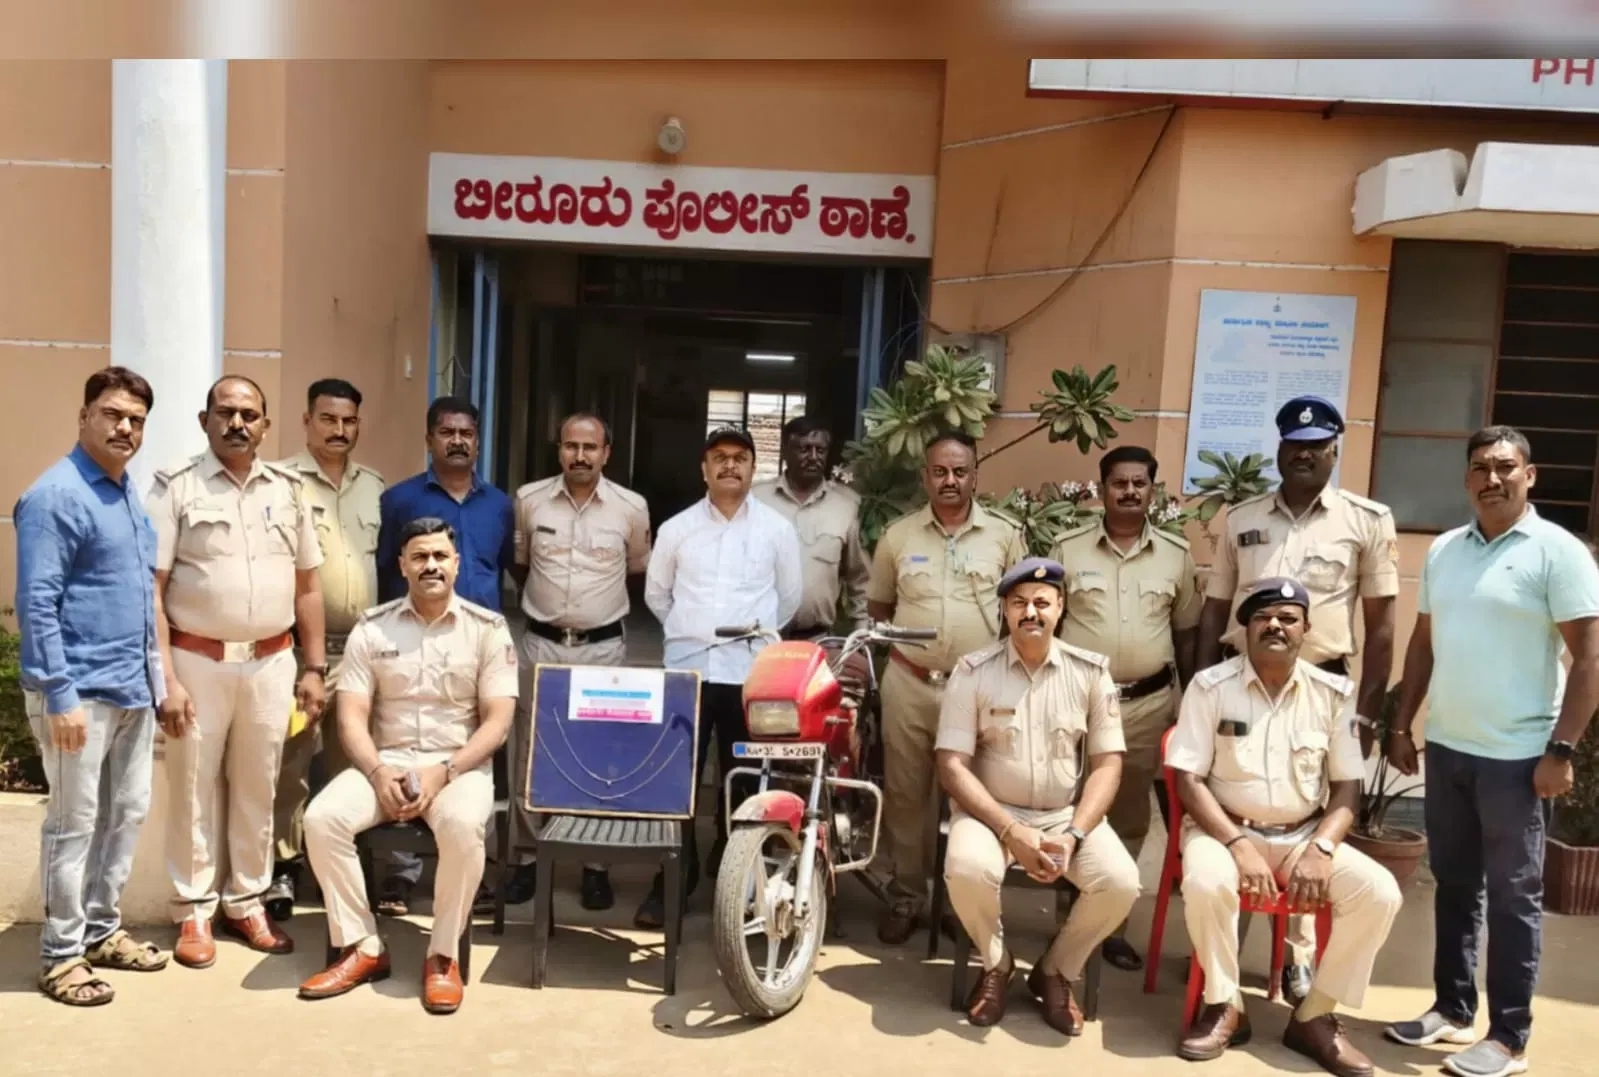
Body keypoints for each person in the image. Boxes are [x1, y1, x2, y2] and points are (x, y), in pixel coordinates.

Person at [1383, 425, 1599, 1077]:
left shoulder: (1558, 553)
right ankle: (1452, 1007)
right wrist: (1402, 723)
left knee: (1513, 897)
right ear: (1466, 478)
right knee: (1454, 884)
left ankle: (1508, 1037)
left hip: (1517, 760)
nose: (1492, 478)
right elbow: (1423, 641)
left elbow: (1590, 659)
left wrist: (1560, 750)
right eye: (1480, 467)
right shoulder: (1446, 549)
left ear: (1529, 476)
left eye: (1505, 466)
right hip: (1450, 748)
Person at [1195, 394, 1399, 1004]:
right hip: (1241, 683)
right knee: (1240, 800)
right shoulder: (1241, 518)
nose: (1304, 455)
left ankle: (1297, 956)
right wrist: (1201, 686)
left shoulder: (1366, 521)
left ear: (1334, 451)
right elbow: (1215, 610)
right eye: (1294, 445)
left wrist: (1368, 713)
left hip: (1323, 690)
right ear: (1280, 450)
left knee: (1306, 813)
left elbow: (1381, 626)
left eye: (1317, 446)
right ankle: (1224, 948)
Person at [1169, 577, 1401, 1077]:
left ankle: (1314, 1015)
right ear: (1246, 630)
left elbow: (1346, 788)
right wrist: (1237, 844)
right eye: (1262, 617)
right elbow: (1188, 780)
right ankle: (1225, 1003)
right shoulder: (1210, 687)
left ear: (1306, 629)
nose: (1275, 625)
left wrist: (1322, 848)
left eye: (1288, 618)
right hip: (1222, 830)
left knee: (1380, 892)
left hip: (1301, 837)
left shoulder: (1333, 693)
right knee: (1206, 881)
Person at [298, 517, 516, 1015]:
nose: (430, 566)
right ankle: (362, 946)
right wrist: (378, 772)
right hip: (387, 764)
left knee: (463, 825)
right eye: (419, 557)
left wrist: (445, 771)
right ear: (402, 566)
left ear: (456, 564)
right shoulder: (373, 627)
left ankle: (442, 955)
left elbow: (497, 722)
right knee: (322, 819)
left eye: (440, 556)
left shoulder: (487, 630)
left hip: (457, 768)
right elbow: (351, 718)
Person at [146, 375, 328, 969]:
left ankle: (246, 900)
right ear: (205, 421)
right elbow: (152, 588)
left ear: (266, 426)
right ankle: (194, 909)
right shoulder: (177, 486)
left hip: (272, 662)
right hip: (197, 661)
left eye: (249, 415)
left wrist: (314, 666)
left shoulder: (288, 490)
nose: (237, 424)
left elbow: (308, 586)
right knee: (193, 786)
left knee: (259, 786)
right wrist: (166, 678)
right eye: (225, 413)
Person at [16, 367, 170, 1005]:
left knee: (124, 816)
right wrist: (59, 694)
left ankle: (101, 931)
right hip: (77, 694)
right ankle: (60, 956)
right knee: (73, 825)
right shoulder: (56, 496)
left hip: (131, 689)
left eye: (136, 420)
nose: (125, 428)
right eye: (112, 414)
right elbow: (37, 603)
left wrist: (158, 684)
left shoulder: (125, 492)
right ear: (83, 417)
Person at [937, 557, 1142, 1034]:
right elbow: (951, 765)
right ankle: (997, 964)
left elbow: (1108, 765)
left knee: (1120, 881)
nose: (1031, 612)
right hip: (990, 816)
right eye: (1019, 603)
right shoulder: (972, 671)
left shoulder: (1090, 673)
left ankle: (1055, 970)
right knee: (965, 868)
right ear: (1005, 610)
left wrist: (1074, 834)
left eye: (1042, 603)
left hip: (1063, 818)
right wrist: (1011, 830)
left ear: (1060, 607)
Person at [866, 430, 1026, 944]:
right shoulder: (898, 537)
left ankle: (962, 902)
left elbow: (1022, 609)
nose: (950, 480)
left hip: (978, 690)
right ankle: (908, 894)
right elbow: (879, 607)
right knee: (906, 793)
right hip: (910, 682)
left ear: (976, 475)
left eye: (960, 471)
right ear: (925, 477)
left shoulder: (1005, 536)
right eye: (940, 471)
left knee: (972, 795)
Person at [640, 425, 803, 928]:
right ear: (704, 469)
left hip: (749, 675)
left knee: (746, 779)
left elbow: (789, 599)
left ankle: (740, 881)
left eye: (739, 457)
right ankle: (674, 878)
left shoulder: (777, 530)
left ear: (754, 468)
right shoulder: (677, 529)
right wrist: (691, 632)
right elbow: (657, 595)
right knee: (679, 781)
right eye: (719, 457)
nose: (729, 465)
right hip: (687, 672)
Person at [1050, 445, 1200, 971]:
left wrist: (1189, 707)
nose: (1130, 492)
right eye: (1120, 483)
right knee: (1069, 808)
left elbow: (1186, 635)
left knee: (1130, 816)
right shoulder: (1067, 549)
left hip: (1145, 706)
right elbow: (1046, 624)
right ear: (1101, 490)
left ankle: (1110, 926)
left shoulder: (1176, 556)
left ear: (1152, 491)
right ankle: (1068, 918)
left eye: (1140, 483)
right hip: (1077, 703)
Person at [373, 395, 517, 914]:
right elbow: (386, 572)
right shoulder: (399, 500)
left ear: (478, 441)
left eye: (466, 433)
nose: (457, 441)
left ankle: (475, 875)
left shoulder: (500, 505)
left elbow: (507, 566)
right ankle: (400, 873)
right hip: (413, 640)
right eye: (447, 432)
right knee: (403, 742)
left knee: (477, 752)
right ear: (429, 439)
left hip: (478, 647)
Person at [510, 412, 651, 912]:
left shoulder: (632, 508)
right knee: (531, 752)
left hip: (602, 649)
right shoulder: (529, 500)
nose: (580, 456)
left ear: (606, 453)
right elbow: (522, 565)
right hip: (542, 645)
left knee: (598, 754)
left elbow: (637, 572)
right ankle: (527, 859)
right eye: (571, 446)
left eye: (590, 447)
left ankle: (595, 865)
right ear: (559, 450)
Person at [265, 377, 385, 922]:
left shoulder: (374, 487)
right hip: (299, 655)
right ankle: (283, 868)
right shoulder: (280, 482)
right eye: (329, 419)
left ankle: (341, 865)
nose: (340, 430)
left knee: (352, 761)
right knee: (290, 762)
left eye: (349, 421)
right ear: (307, 421)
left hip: (361, 655)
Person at [751, 415, 870, 641]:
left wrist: (862, 638)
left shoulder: (846, 506)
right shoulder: (756, 499)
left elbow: (860, 580)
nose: (814, 457)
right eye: (804, 449)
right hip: (761, 639)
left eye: (820, 450)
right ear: (785, 451)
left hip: (818, 640)